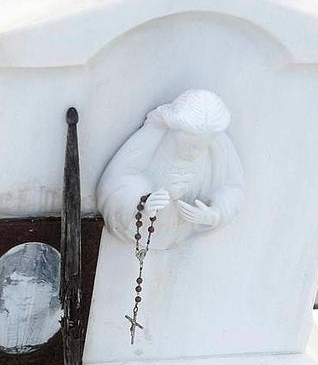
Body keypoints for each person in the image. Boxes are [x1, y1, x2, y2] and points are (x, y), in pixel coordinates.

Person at [97, 89, 244, 252]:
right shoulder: (153, 137)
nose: (192, 152)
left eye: (200, 147)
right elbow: (117, 181)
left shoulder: (220, 146)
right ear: (175, 129)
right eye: (187, 143)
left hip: (183, 240)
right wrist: (142, 202)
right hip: (143, 236)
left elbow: (231, 189)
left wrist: (215, 215)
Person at [0, 241, 62, 354]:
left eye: (37, 283)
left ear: (54, 290)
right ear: (1, 290)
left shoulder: (56, 324)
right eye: (14, 283)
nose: (24, 294)